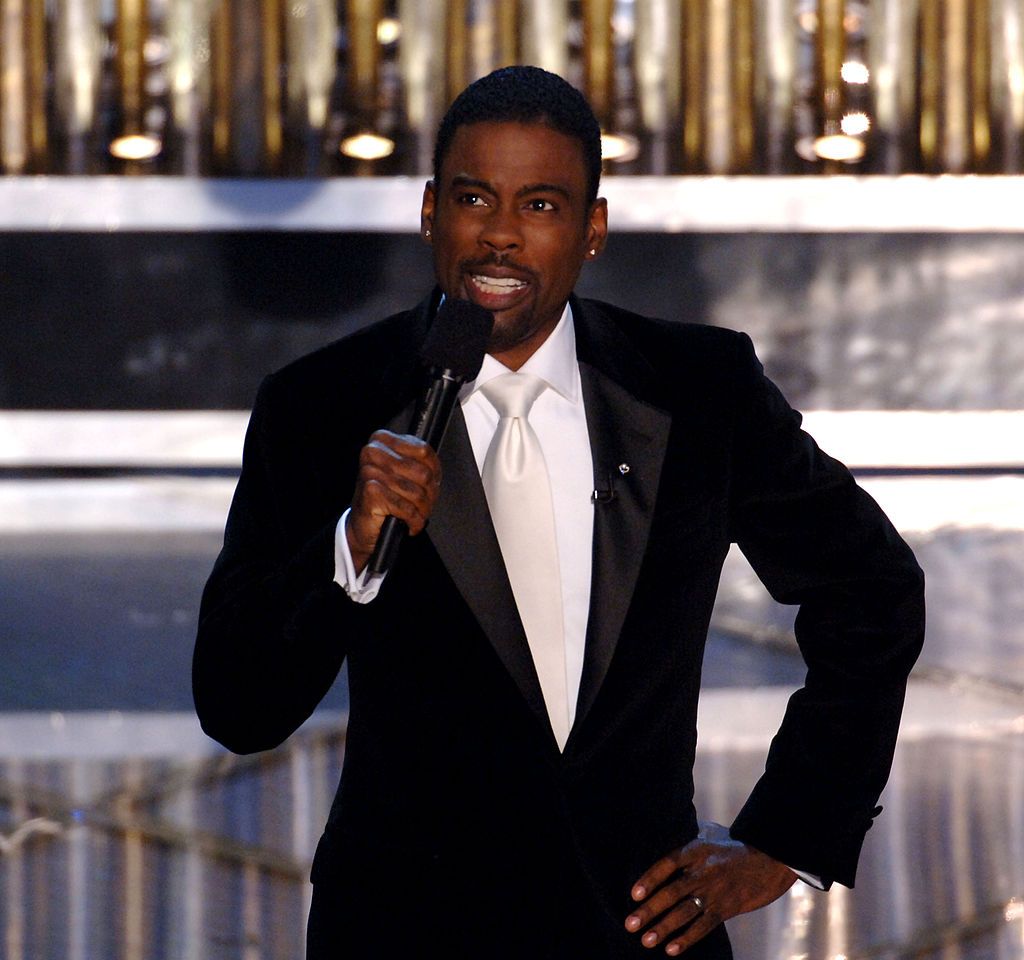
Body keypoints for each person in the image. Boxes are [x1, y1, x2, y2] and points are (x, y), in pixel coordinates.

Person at [193, 66, 925, 959]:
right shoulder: (325, 404)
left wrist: (789, 835)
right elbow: (237, 704)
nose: (499, 236)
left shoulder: (698, 389)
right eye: (474, 198)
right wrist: (348, 548)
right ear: (431, 212)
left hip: (641, 932)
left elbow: (873, 588)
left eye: (540, 206)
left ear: (592, 231)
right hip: (404, 932)